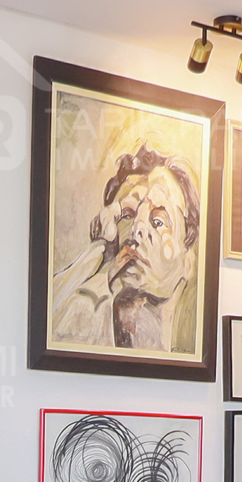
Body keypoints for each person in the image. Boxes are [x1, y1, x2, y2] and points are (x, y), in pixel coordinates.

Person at [47, 145, 201, 352]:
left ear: (188, 262)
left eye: (158, 222)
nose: (137, 229)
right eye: (130, 216)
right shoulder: (80, 320)